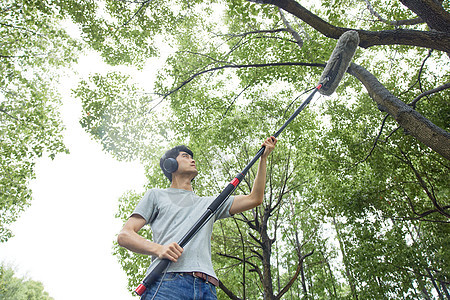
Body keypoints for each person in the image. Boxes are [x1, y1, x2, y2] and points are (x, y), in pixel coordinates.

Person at [117, 136, 277, 299]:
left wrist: (263, 159)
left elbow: (254, 198)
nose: (192, 160)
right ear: (170, 164)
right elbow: (125, 235)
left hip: (207, 288)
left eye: (192, 157)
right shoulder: (156, 195)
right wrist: (159, 249)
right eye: (185, 156)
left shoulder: (211, 204)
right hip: (167, 283)